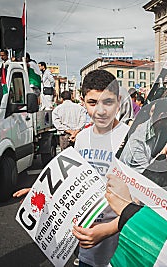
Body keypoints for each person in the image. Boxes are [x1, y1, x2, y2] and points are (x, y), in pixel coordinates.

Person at [69, 69, 129, 267]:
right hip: (88, 250)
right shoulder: (81, 139)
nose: (100, 111)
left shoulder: (132, 140)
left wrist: (105, 231)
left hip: (122, 250)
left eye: (108, 102)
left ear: (118, 101)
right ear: (83, 101)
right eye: (93, 103)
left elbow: (141, 204)